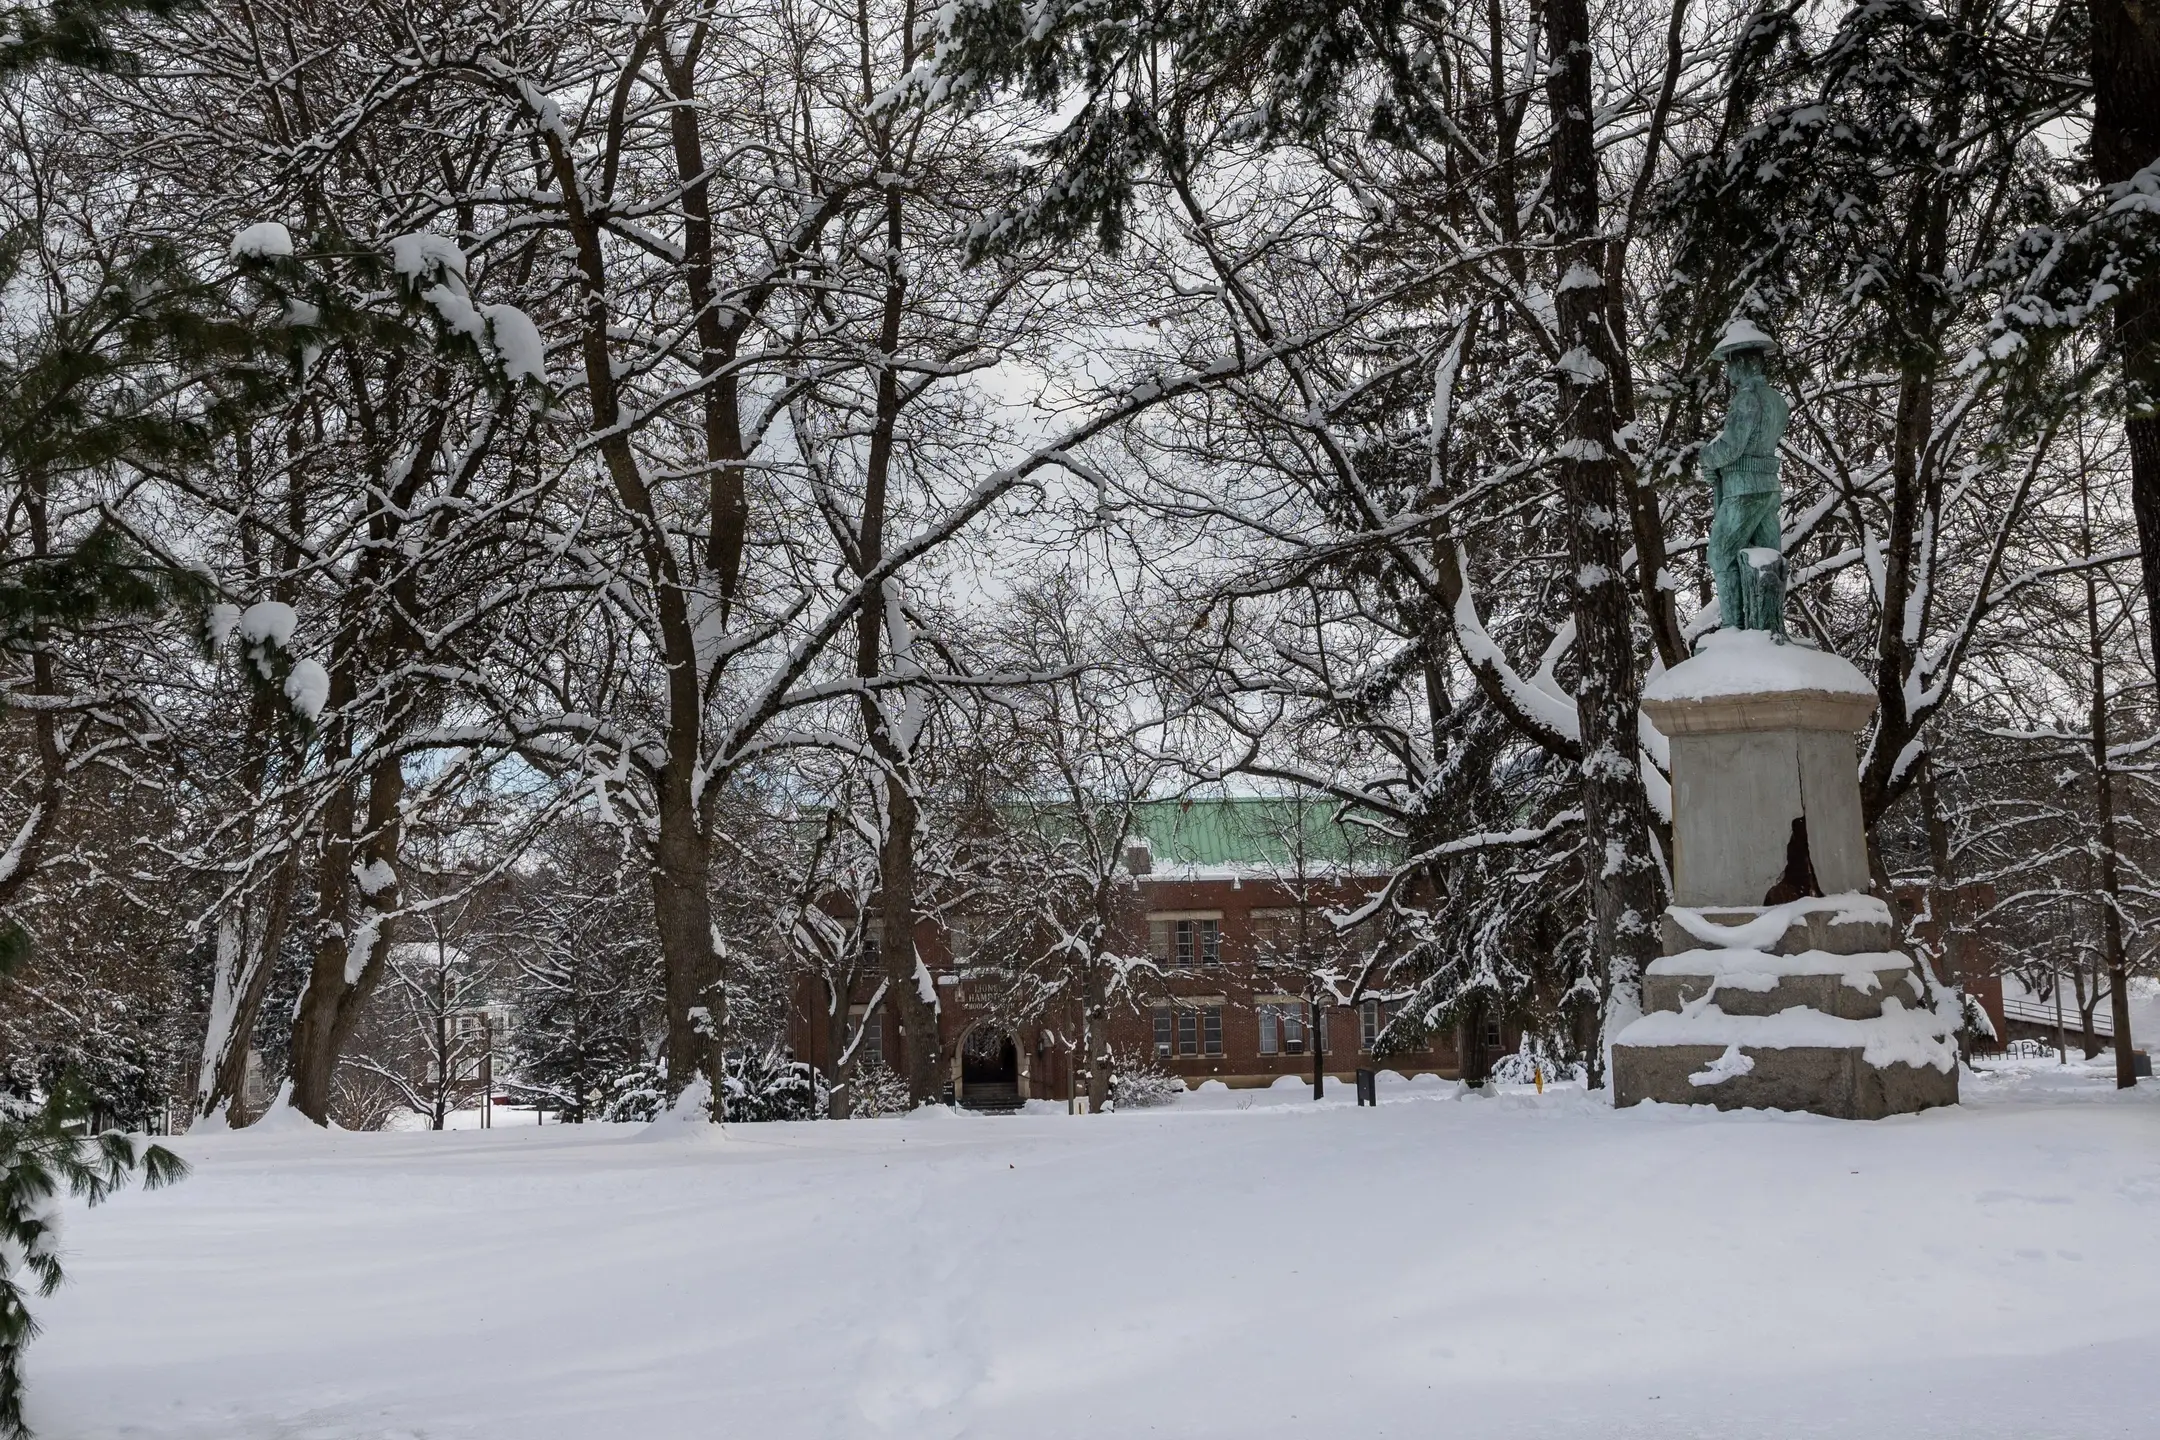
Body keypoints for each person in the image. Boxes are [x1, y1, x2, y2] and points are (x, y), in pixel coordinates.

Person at [1700, 320, 1790, 631]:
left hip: (1743, 489)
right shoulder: (1778, 400)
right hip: (1768, 488)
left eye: (1729, 364)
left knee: (1721, 555)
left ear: (1740, 362)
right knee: (1767, 560)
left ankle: (1733, 627)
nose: (1727, 372)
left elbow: (1731, 447)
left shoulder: (1746, 398)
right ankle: (1767, 625)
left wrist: (1705, 456)